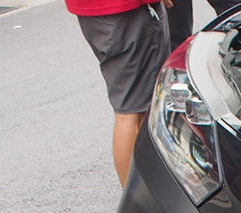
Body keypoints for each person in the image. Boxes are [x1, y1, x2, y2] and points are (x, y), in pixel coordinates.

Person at [67, 0, 173, 186]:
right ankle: (136, 195)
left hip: (93, 11)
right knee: (135, 111)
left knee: (131, 107)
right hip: (126, 10)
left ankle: (138, 192)